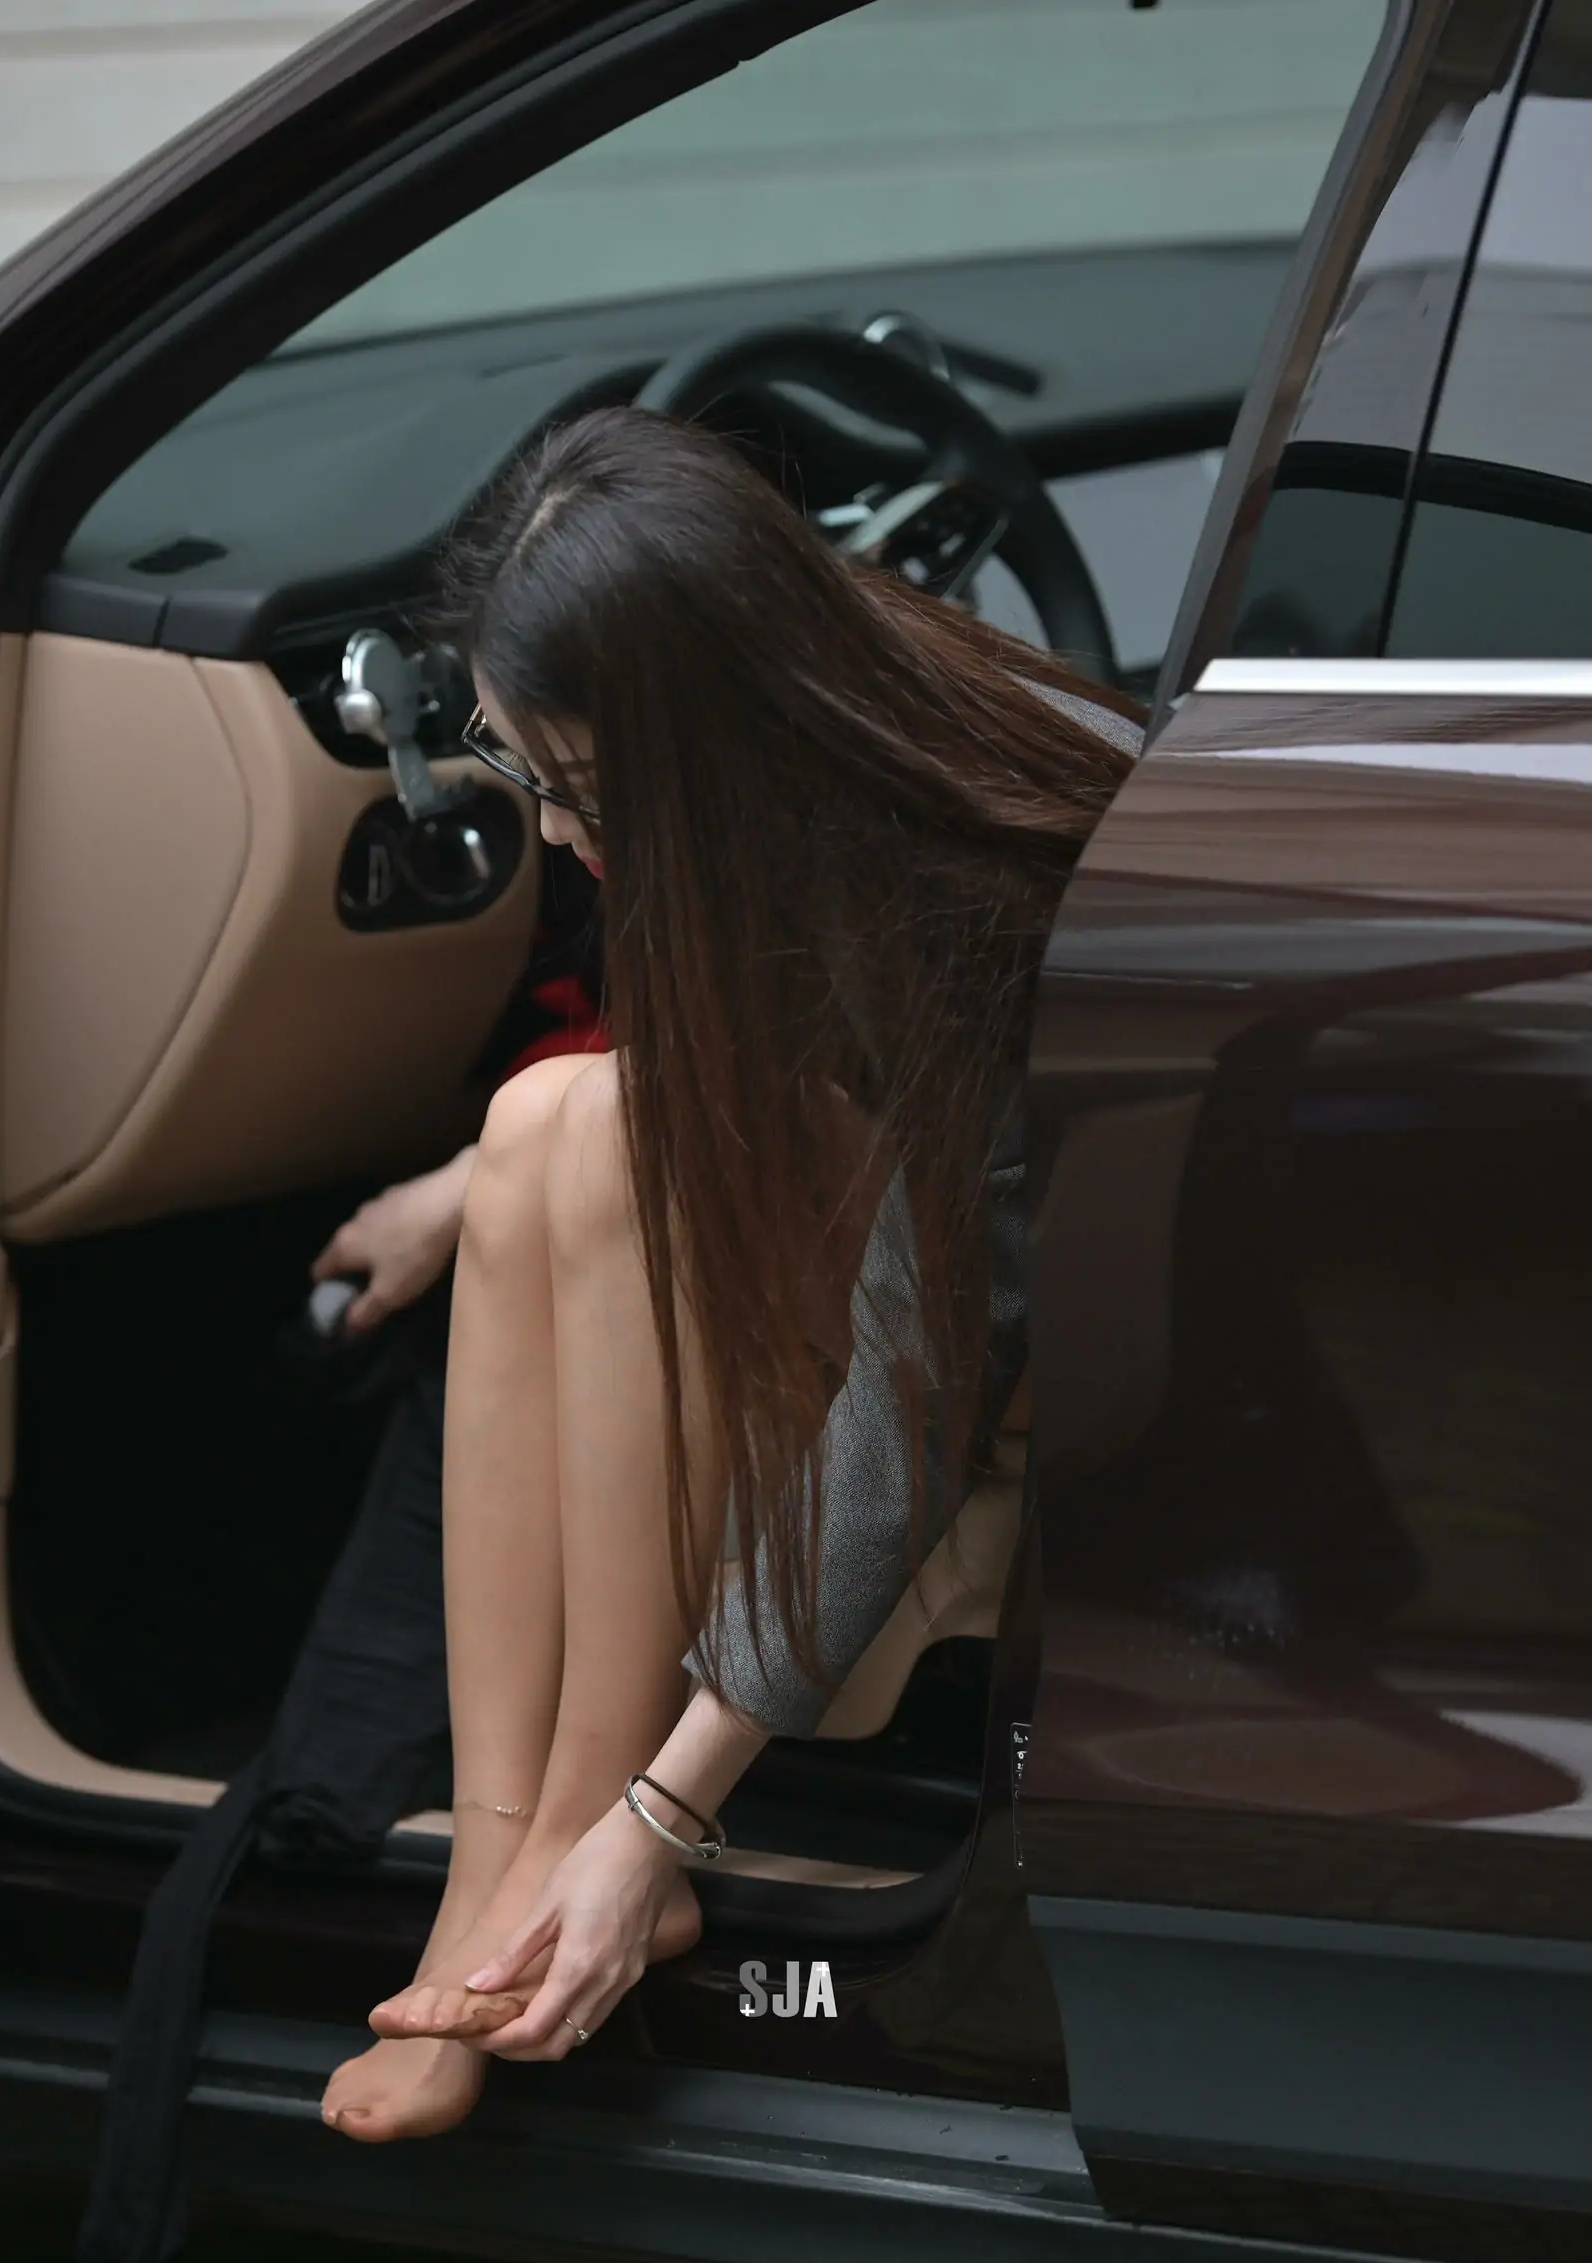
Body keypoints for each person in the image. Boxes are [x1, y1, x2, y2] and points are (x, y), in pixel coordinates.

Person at [320, 405, 1142, 2142]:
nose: (557, 835)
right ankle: (491, 1872)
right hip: (947, 1258)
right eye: (519, 766)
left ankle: (591, 1833)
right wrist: (461, 1189)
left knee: (613, 1145)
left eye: (582, 788)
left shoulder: (967, 888)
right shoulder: (820, 725)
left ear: (712, 738)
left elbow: (921, 1380)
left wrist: (667, 1815)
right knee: (542, 1121)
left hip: (1071, 1354)